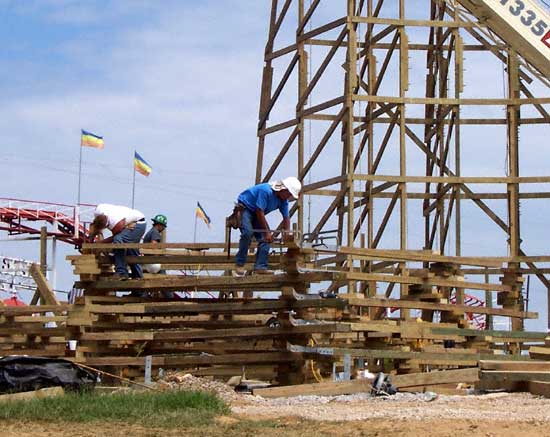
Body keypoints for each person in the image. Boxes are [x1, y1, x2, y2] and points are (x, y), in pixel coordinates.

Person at [234, 177, 301, 276]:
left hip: (257, 213)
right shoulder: (266, 191)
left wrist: (286, 234)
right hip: (246, 208)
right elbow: (259, 211)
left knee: (266, 239)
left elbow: (286, 218)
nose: (289, 197)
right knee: (247, 233)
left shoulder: (283, 201)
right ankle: (239, 264)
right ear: (284, 189)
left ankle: (260, 267)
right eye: (289, 194)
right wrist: (266, 233)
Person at [88, 203, 146, 280]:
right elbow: (95, 227)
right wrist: (91, 239)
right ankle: (137, 277)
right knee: (130, 249)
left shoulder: (116, 224)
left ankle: (121, 272)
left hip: (138, 224)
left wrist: (100, 243)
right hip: (130, 220)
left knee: (118, 241)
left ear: (106, 225)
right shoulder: (98, 212)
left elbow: (115, 237)